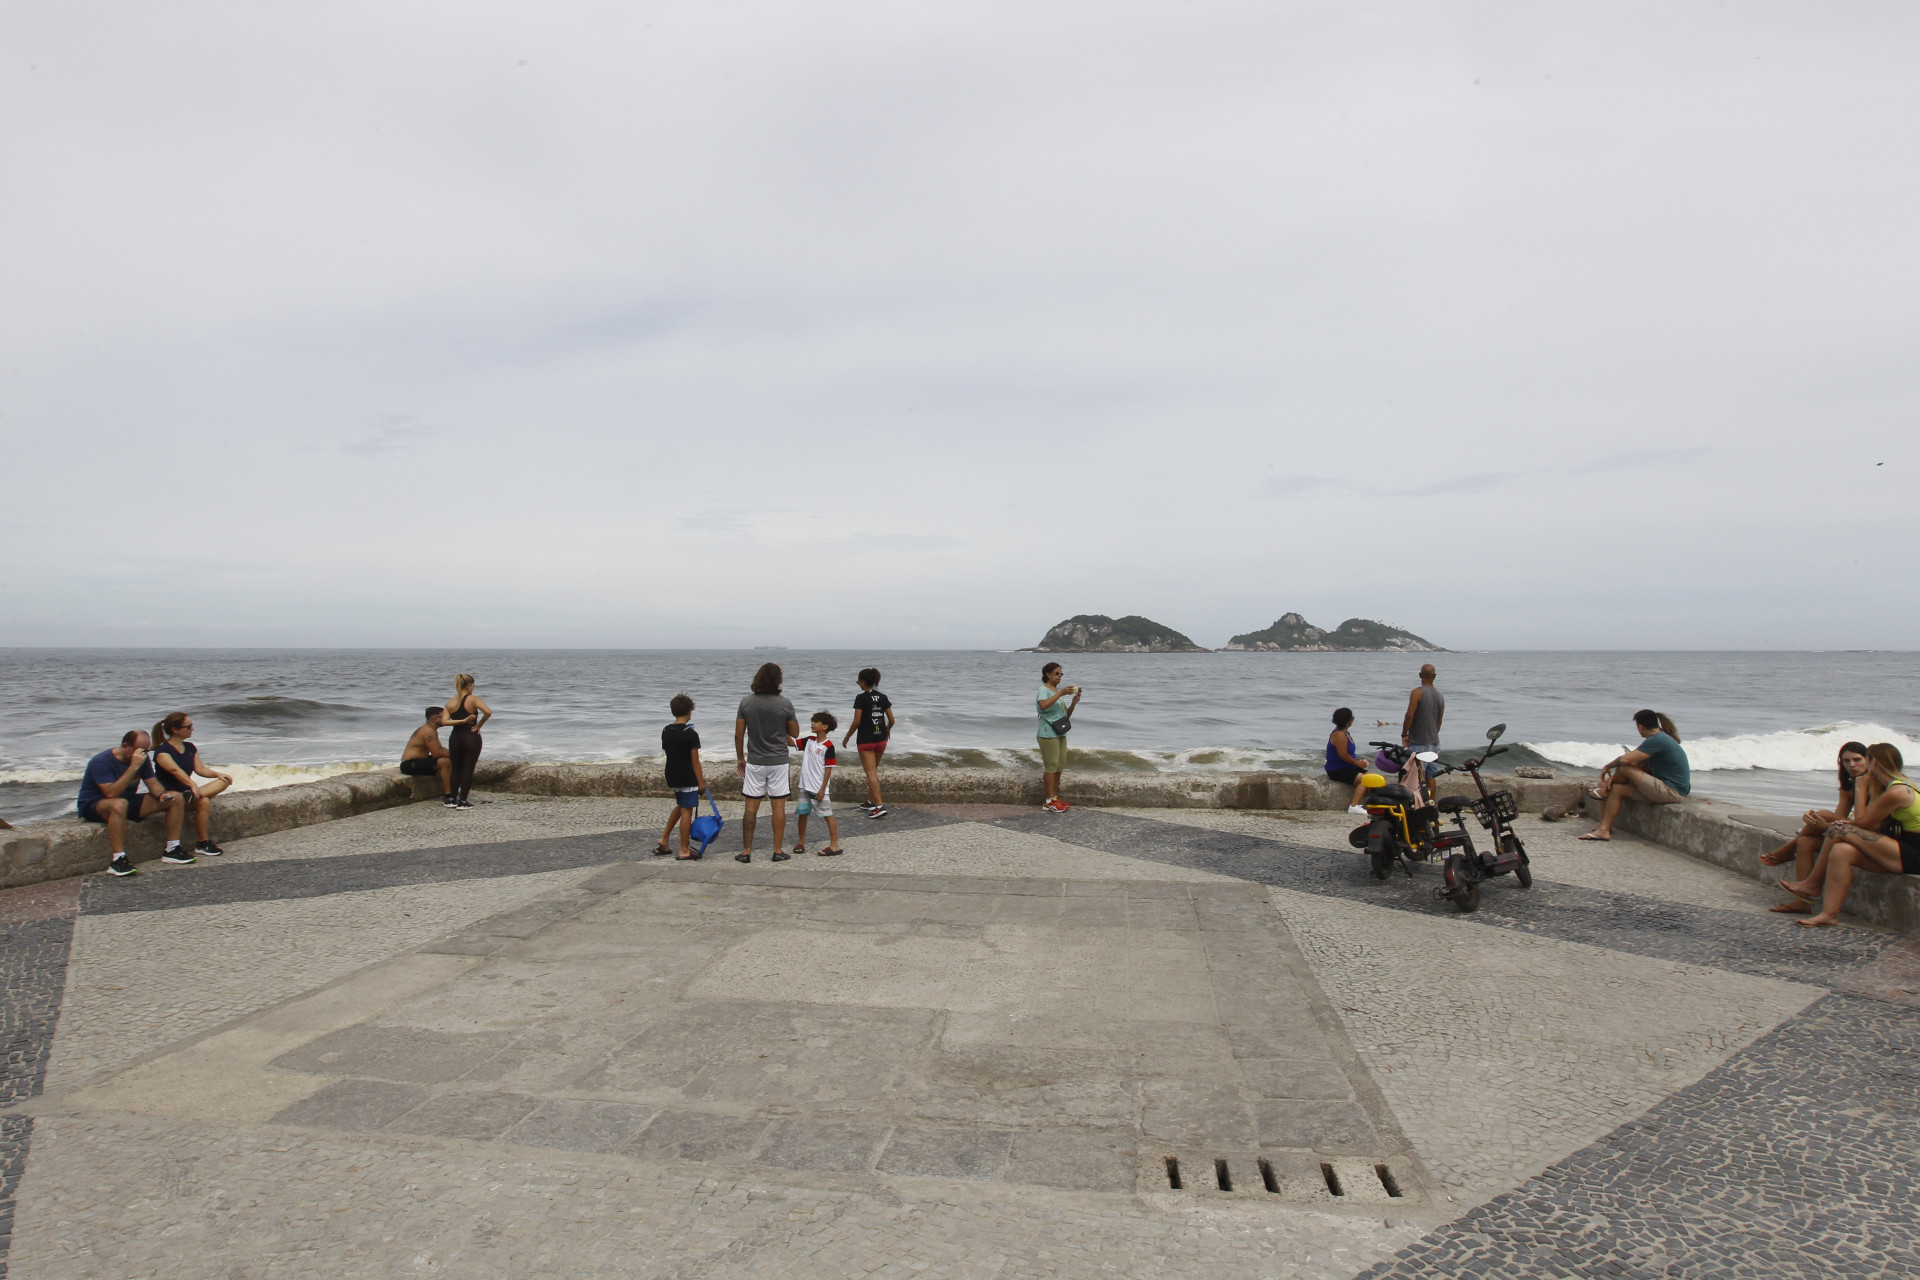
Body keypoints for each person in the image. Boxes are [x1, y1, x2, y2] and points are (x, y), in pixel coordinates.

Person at [1782, 743, 1920, 927]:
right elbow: (1864, 824)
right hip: (1900, 849)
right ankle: (1829, 914)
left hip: (1913, 852)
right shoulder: (1893, 786)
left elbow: (1863, 824)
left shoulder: (1897, 791)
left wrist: (1861, 789)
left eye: (1865, 760)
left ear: (1874, 762)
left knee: (1838, 830)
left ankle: (1813, 883)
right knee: (1841, 850)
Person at [1758, 741, 1870, 912]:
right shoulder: (1850, 785)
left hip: (1874, 838)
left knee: (1823, 814)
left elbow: (1863, 823)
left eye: (1857, 760)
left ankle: (1787, 850)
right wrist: (1815, 821)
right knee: (1805, 843)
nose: (1852, 765)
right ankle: (1802, 902)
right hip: (1852, 833)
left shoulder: (1875, 784)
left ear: (1868, 760)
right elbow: (1839, 818)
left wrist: (1823, 821)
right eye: (1847, 761)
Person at [75, 730, 191, 876]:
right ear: (125, 746)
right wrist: (133, 767)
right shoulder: (101, 762)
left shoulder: (142, 759)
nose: (143, 754)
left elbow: (153, 783)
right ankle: (118, 859)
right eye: (140, 750)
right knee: (119, 804)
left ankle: (172, 849)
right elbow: (111, 794)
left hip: (127, 800)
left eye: (146, 750)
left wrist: (162, 795)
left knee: (176, 798)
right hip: (95, 804)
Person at [1580, 710, 1690, 842]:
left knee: (1624, 768)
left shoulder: (1658, 740)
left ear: (1640, 727)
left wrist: (1607, 766)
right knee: (1616, 789)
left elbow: (1626, 761)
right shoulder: (1657, 739)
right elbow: (1637, 762)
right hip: (1663, 789)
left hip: (1672, 791)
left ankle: (1604, 793)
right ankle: (1604, 829)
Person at [735, 663, 800, 863]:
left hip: (755, 760)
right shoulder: (785, 704)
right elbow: (795, 733)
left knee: (751, 807)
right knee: (778, 806)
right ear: (778, 681)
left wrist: (740, 757)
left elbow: (739, 734)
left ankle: (746, 851)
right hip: (778, 760)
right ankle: (777, 850)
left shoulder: (746, 702)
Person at [151, 711, 234, 857]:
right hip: (170, 797)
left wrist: (218, 774)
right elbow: (175, 770)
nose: (192, 729)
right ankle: (190, 796)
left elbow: (200, 769)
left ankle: (203, 842)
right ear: (175, 730)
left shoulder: (190, 747)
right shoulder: (162, 751)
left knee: (215, 790)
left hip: (187, 794)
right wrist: (192, 785)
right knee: (202, 800)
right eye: (188, 727)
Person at [656, 694, 709, 860]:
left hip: (672, 773)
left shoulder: (666, 730)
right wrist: (701, 783)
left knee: (680, 805)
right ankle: (684, 849)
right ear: (689, 711)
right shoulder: (691, 734)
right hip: (687, 775)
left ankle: (664, 839)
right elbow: (695, 762)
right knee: (687, 810)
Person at [843, 667, 894, 818]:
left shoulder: (861, 698)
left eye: (858, 680)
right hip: (881, 740)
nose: (857, 682)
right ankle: (871, 801)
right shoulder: (883, 697)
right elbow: (892, 720)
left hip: (866, 741)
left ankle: (879, 806)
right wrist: (887, 729)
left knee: (870, 773)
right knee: (874, 772)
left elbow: (857, 721)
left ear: (863, 682)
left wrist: (847, 737)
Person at [794, 712, 843, 857]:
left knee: (827, 815)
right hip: (805, 786)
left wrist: (822, 789)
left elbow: (829, 769)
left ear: (825, 727)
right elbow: (792, 743)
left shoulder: (828, 746)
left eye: (816, 722)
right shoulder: (809, 741)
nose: (812, 724)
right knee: (802, 814)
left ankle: (834, 845)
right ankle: (801, 841)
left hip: (817, 788)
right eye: (812, 721)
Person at [443, 674, 491, 810]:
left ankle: (451, 799)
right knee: (467, 769)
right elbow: (488, 712)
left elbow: (444, 721)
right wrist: (478, 725)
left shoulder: (451, 702)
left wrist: (460, 721)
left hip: (455, 737)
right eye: (473, 685)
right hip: (471, 737)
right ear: (469, 685)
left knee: (456, 768)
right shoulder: (473, 699)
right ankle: (463, 801)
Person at [1037, 662, 1081, 813]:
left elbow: (1064, 716)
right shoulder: (1044, 690)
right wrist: (1061, 694)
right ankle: (1049, 801)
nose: (1059, 676)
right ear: (1047, 674)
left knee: (1059, 766)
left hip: (1060, 731)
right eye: (1056, 673)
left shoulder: (1055, 691)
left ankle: (1054, 798)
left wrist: (1073, 704)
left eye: (1061, 674)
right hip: (1047, 733)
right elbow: (1043, 706)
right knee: (1051, 766)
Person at [1401, 664, 1445, 800]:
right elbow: (1439, 721)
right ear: (1434, 677)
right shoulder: (1439, 695)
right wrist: (1433, 733)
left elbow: (1409, 715)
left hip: (1420, 742)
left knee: (1416, 776)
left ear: (1420, 675)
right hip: (1434, 742)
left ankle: (1417, 804)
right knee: (1431, 775)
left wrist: (1404, 734)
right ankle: (1432, 803)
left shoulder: (1417, 692)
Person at [400, 707, 454, 805]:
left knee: (449, 761)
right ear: (435, 719)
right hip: (409, 764)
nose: (447, 719)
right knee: (444, 762)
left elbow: (441, 749)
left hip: (419, 761)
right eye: (444, 717)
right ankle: (448, 796)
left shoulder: (432, 730)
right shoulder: (428, 731)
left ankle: (453, 789)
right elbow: (437, 753)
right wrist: (456, 755)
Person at [1326, 707, 1373, 816]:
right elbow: (1343, 755)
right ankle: (1353, 806)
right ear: (1349, 721)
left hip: (1348, 766)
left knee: (1372, 777)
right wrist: (1356, 763)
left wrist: (1358, 761)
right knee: (1364, 780)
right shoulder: (1339, 734)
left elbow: (1348, 755)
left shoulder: (1345, 733)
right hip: (1337, 769)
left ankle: (1371, 804)